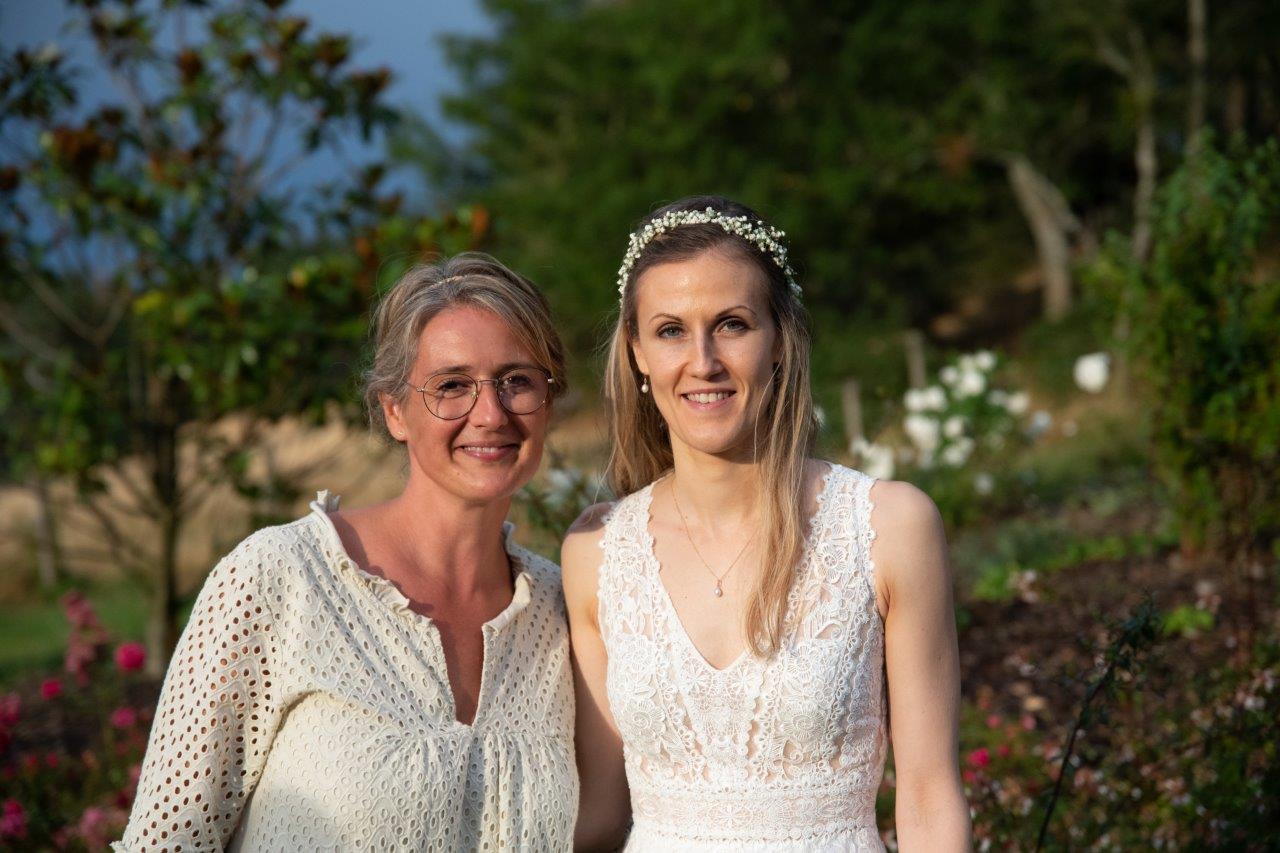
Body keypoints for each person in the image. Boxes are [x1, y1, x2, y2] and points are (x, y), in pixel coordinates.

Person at [114, 254, 577, 851]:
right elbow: (166, 841)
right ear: (394, 411)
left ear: (549, 400)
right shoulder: (279, 577)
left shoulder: (565, 610)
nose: (490, 414)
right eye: (451, 386)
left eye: (516, 381)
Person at [562, 197, 971, 851]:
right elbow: (600, 816)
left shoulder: (889, 526)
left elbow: (928, 798)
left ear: (779, 338)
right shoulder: (597, 549)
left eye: (732, 324)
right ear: (637, 351)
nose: (703, 361)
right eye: (670, 331)